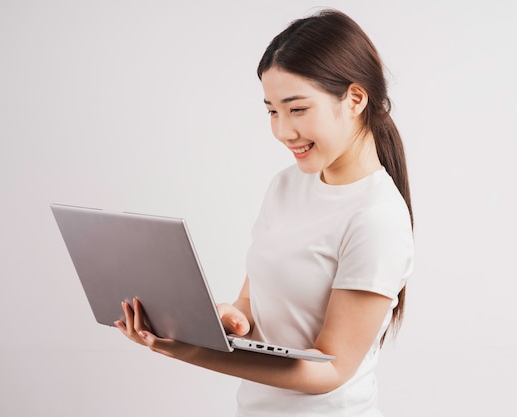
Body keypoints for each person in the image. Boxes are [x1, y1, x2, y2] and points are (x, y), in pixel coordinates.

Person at [115, 8, 414, 417]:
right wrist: (225, 320)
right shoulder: (286, 186)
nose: (282, 131)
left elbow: (330, 370)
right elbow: (251, 306)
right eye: (272, 110)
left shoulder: (376, 217)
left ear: (355, 99)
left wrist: (189, 351)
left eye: (297, 109)